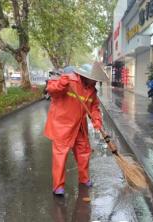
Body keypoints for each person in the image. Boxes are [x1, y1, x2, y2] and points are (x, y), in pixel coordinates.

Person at [44, 62, 109, 196]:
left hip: (79, 125)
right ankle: (58, 186)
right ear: (86, 76)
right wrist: (61, 84)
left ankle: (84, 179)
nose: (96, 82)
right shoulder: (69, 79)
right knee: (60, 156)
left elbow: (94, 107)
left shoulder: (92, 90)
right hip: (62, 124)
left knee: (84, 151)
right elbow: (51, 90)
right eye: (94, 79)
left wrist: (97, 120)